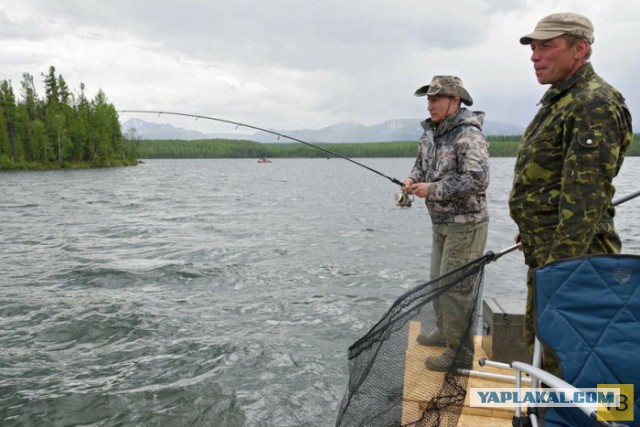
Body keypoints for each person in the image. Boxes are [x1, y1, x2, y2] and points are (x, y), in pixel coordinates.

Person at [509, 12, 633, 377]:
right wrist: (532, 227)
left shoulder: (592, 103)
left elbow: (585, 199)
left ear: (580, 49)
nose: (535, 56)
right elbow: (554, 182)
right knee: (549, 354)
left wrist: (560, 273)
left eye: (547, 46)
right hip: (549, 253)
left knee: (576, 362)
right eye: (533, 48)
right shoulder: (561, 99)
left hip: (574, 264)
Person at [402, 75, 490, 372]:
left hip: (466, 225)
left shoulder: (469, 135)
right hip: (440, 223)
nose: (430, 104)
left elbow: (477, 180)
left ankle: (460, 353)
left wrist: (433, 189)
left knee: (457, 289)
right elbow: (420, 164)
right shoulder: (430, 134)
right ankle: (444, 333)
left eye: (436, 99)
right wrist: (413, 179)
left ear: (455, 101)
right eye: (428, 99)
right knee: (439, 282)